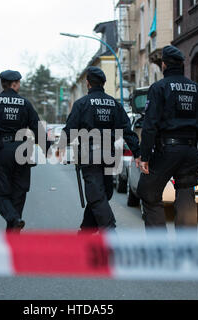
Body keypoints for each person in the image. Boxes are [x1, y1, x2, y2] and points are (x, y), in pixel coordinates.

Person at [58, 66, 141, 233]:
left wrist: (60, 147)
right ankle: (86, 234)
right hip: (109, 155)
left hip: (89, 155)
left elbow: (70, 128)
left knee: (98, 195)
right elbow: (127, 130)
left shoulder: (81, 104)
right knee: (102, 194)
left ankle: (110, 233)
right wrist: (138, 153)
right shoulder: (114, 104)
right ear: (103, 83)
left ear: (88, 83)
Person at [136, 45, 198, 230]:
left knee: (149, 193)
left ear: (164, 65)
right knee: (186, 196)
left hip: (166, 149)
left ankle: (159, 249)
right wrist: (197, 154)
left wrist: (144, 156)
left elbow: (150, 125)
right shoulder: (197, 90)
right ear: (182, 65)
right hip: (190, 150)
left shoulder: (159, 87)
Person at [0, 70, 49, 232]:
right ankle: (14, 228)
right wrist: (48, 150)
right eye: (19, 83)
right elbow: (37, 128)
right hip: (22, 151)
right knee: (19, 192)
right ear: (14, 84)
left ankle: (14, 220)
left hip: (2, 151)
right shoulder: (25, 103)